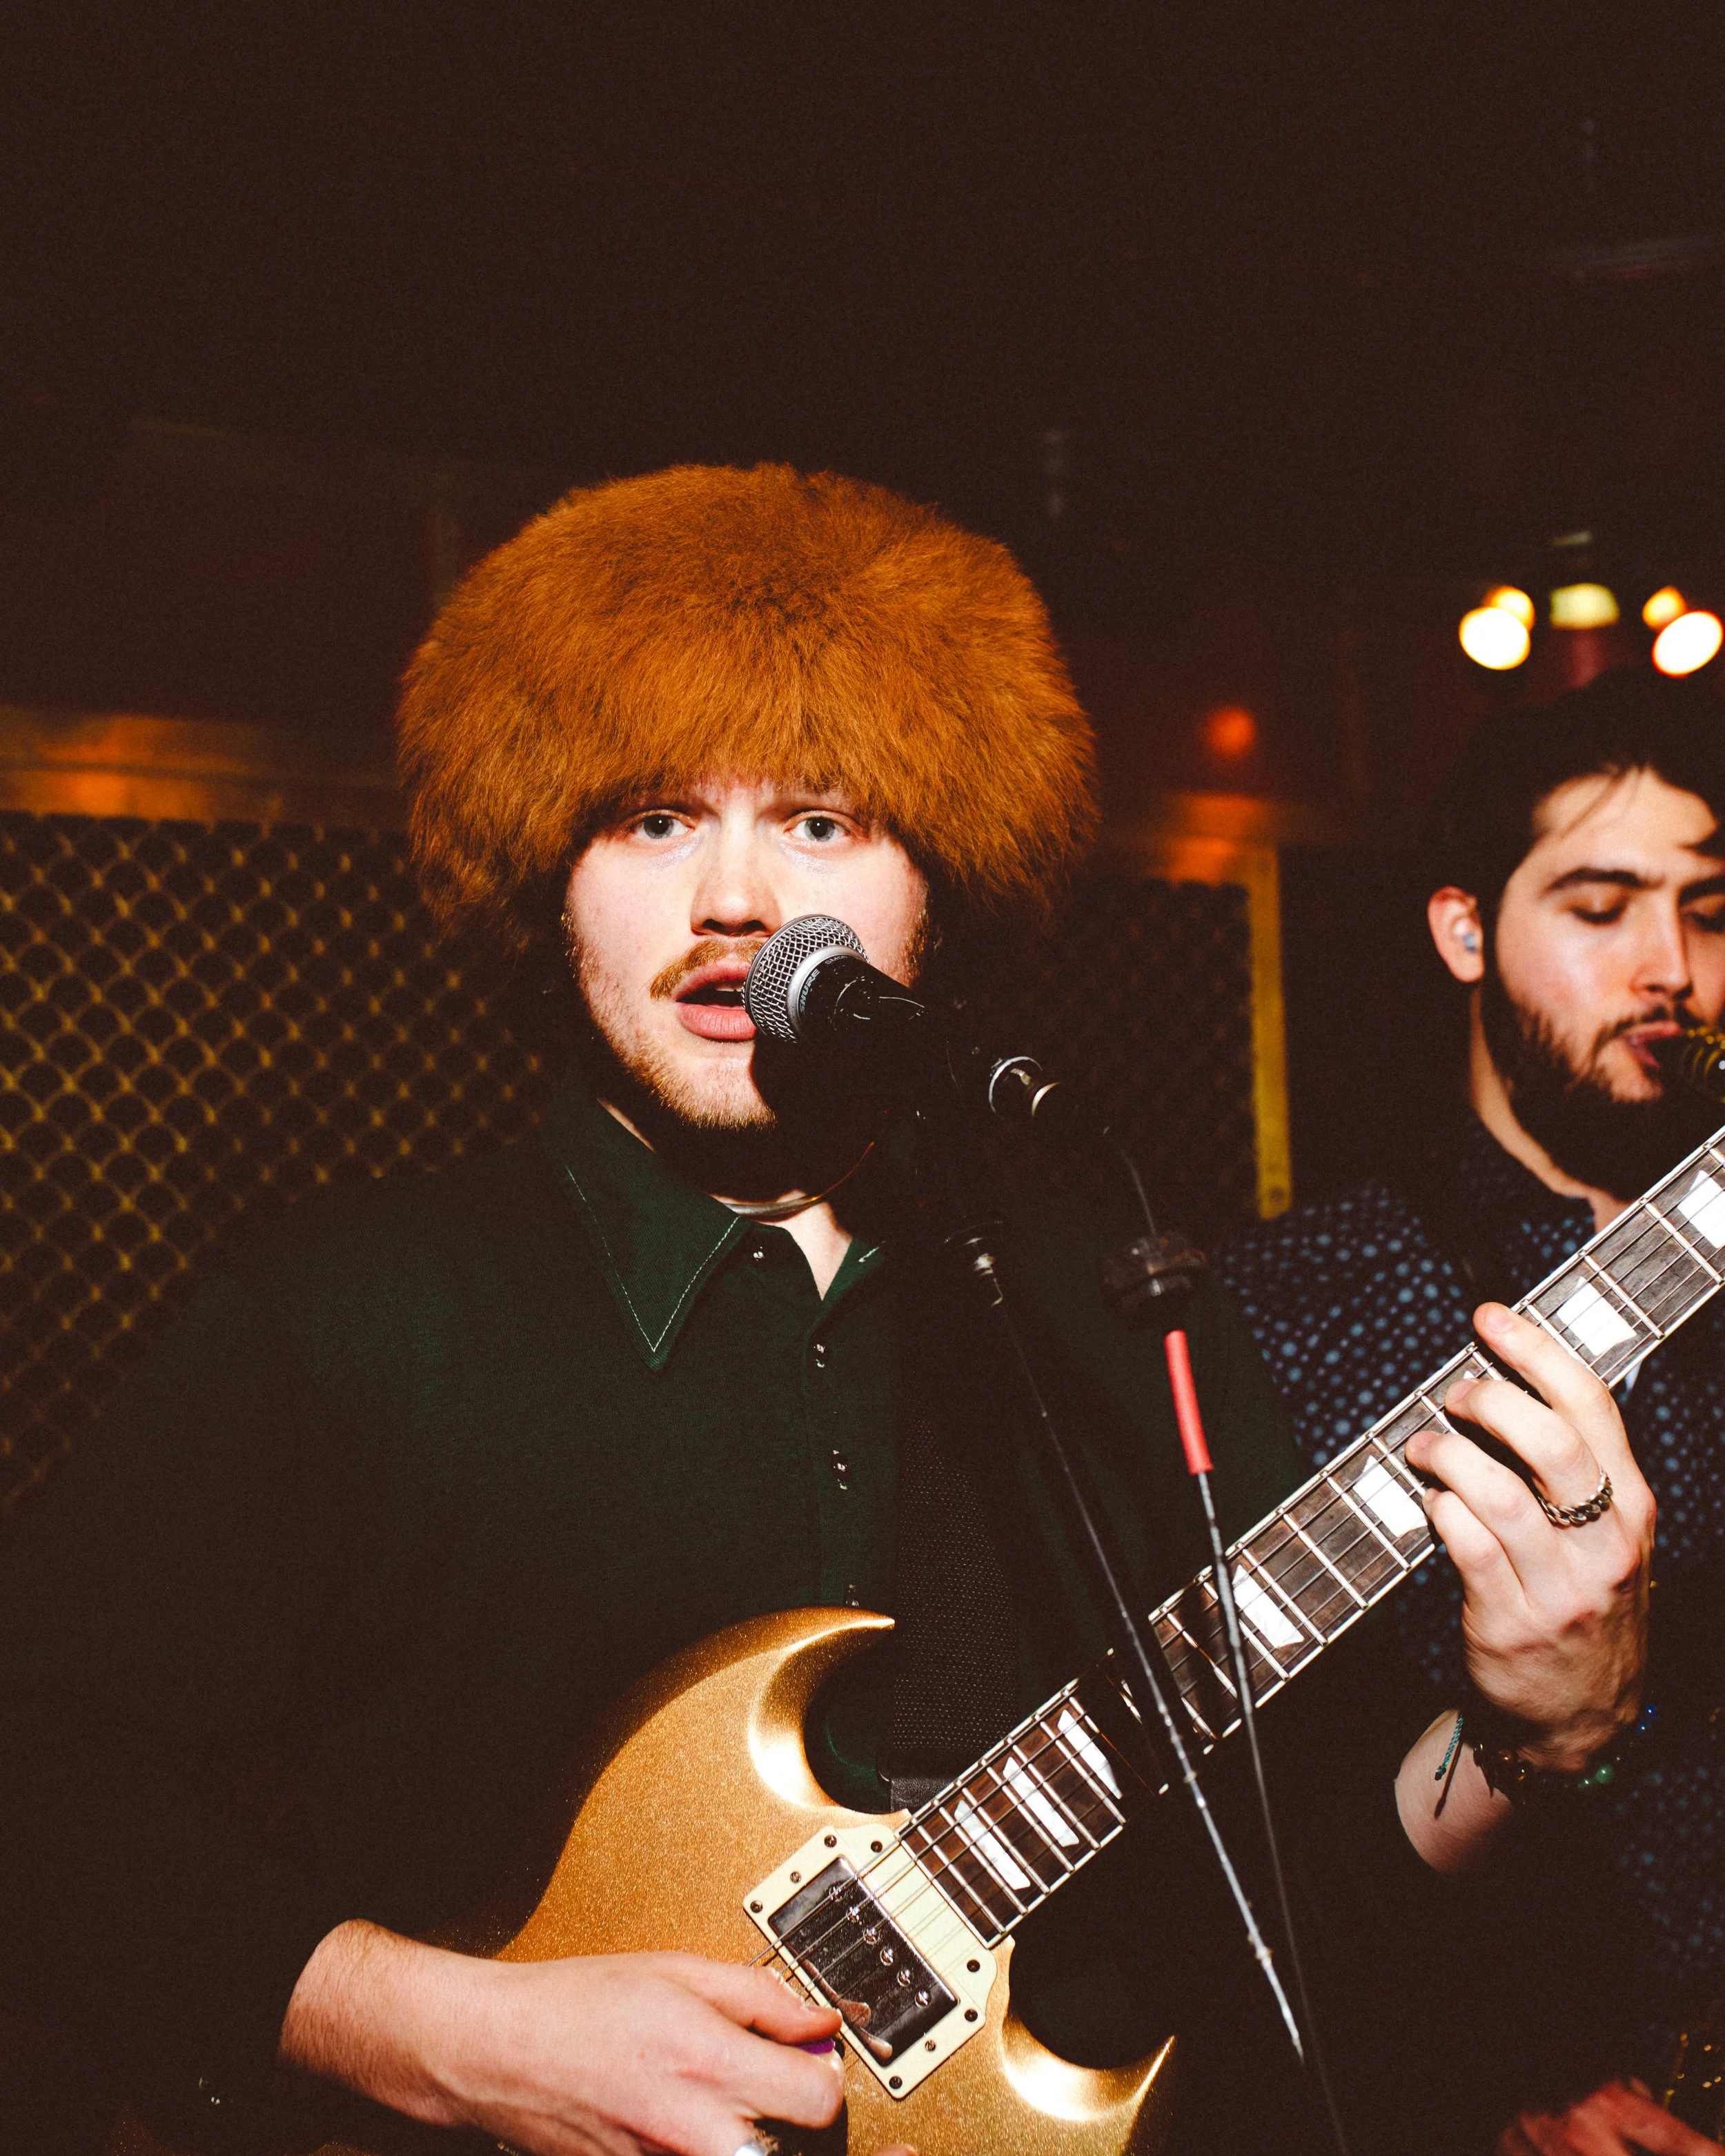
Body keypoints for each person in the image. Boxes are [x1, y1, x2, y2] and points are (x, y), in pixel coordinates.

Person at [0, 467, 1650, 2156]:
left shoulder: (1109, 1306)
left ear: (936, 883)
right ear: (547, 872)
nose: (733, 902)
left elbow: (1307, 1903)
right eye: (650, 816)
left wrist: (1531, 1732)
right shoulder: (350, 1314)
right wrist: (446, 2033)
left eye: (819, 818)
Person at [1218, 665, 1725, 2153]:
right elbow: (1273, 1832)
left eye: (1704, 908)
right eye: (1596, 905)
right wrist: (1490, 2078)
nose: (1670, 972)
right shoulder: (1287, 1303)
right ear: (1461, 929)